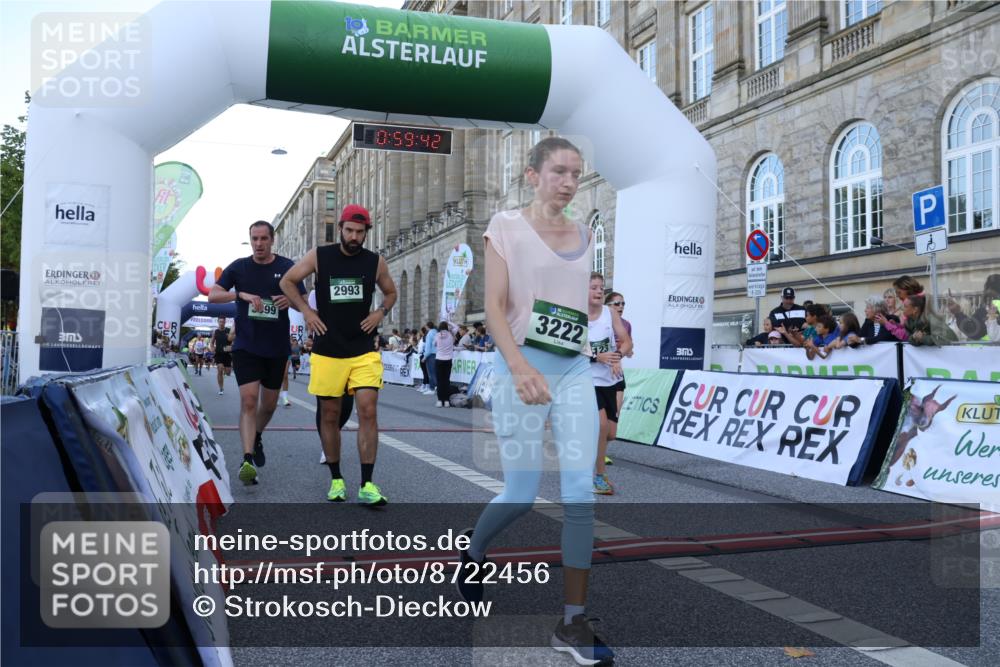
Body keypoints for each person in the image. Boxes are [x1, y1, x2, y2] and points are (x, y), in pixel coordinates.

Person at [456, 137, 614, 666]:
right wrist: (519, 367)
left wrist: (603, 351)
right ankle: (474, 554)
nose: (569, 182)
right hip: (518, 366)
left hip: (572, 371)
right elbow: (494, 308)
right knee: (521, 494)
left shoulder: (587, 233)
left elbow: (573, 312)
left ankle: (572, 621)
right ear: (532, 175)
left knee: (579, 495)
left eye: (576, 173)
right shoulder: (504, 227)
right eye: (559, 172)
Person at [280, 204, 396, 506]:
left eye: (360, 232)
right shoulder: (320, 255)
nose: (354, 237)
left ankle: (368, 484)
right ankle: (336, 480)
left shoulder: (375, 262)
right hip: (328, 349)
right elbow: (287, 281)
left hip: (362, 348)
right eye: (349, 231)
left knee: (368, 410)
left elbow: (391, 292)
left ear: (366, 232)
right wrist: (306, 311)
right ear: (341, 228)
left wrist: (379, 312)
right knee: (330, 415)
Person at [209, 220, 305, 486]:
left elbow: (304, 301)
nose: (259, 244)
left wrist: (290, 300)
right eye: (255, 239)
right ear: (250, 240)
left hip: (275, 348)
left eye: (264, 239)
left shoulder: (287, 267)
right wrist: (239, 296)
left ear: (272, 240)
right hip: (246, 346)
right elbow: (213, 295)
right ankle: (247, 458)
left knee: (269, 404)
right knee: (249, 401)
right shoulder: (239, 267)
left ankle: (258, 435)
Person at [588, 273, 633, 495]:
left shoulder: (610, 313)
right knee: (601, 425)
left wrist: (616, 355)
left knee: (611, 433)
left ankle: (590, 455)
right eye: (593, 287)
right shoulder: (577, 316)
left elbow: (626, 342)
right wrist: (597, 357)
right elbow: (570, 349)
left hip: (610, 379)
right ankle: (598, 475)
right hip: (587, 379)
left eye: (601, 288)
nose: (598, 291)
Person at [603, 292, 631, 463]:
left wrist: (626, 351)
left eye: (623, 303)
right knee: (599, 419)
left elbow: (629, 345)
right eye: (616, 304)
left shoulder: (626, 325)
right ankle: (596, 453)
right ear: (607, 306)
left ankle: (602, 450)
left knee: (614, 415)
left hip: (617, 375)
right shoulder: (599, 322)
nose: (620, 307)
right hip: (599, 375)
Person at [947, 274, 1000, 341]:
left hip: (984, 350)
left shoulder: (990, 307)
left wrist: (958, 313)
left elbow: (972, 330)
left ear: (987, 288)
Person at [434, 319, 460, 407]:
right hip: (448, 360)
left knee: (439, 381)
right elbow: (457, 327)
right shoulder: (451, 335)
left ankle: (439, 400)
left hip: (439, 359)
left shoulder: (437, 335)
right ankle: (446, 400)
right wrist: (449, 322)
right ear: (447, 327)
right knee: (446, 380)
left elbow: (434, 344)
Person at [209, 317, 234, 395]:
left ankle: (225, 370)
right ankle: (221, 388)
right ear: (218, 322)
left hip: (227, 354)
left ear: (225, 322)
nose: (221, 323)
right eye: (220, 322)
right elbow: (212, 343)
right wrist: (212, 349)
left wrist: (231, 347)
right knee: (220, 370)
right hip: (219, 354)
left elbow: (233, 341)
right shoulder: (215, 332)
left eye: (223, 322)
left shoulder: (228, 331)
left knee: (228, 373)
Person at [422, 319, 438, 396]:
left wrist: (425, 356)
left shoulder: (429, 334)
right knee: (435, 372)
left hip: (431, 355)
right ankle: (436, 388)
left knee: (431, 373)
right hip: (437, 354)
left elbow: (428, 347)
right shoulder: (436, 332)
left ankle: (432, 388)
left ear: (427, 327)